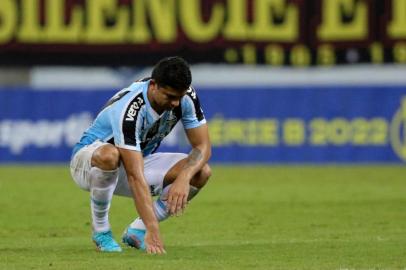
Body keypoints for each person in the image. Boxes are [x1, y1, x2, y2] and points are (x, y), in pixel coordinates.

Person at [69, 56, 212, 254]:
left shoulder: (186, 97)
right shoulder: (131, 109)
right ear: (153, 85)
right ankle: (101, 231)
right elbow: (135, 176)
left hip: (135, 162)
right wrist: (154, 229)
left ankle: (137, 231)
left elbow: (202, 146)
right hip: (88, 163)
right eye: (169, 96)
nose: (175, 103)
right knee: (110, 155)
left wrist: (183, 178)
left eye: (179, 97)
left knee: (201, 172)